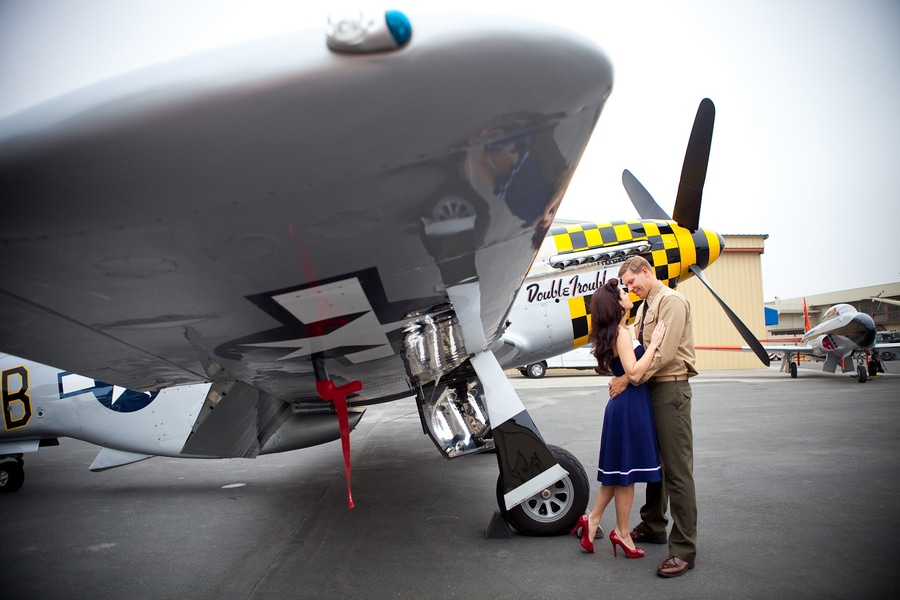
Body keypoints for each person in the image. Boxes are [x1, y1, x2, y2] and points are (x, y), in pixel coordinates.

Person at [610, 255, 698, 578]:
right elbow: (638, 349)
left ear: (645, 272)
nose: (630, 289)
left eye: (632, 282)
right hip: (649, 390)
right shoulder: (646, 305)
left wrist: (628, 378)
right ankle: (653, 524)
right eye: (626, 286)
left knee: (677, 471)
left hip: (670, 390)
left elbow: (663, 353)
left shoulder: (671, 302)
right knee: (654, 464)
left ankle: (684, 549)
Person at [571, 278, 665, 559]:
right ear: (616, 303)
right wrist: (654, 345)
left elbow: (626, 372)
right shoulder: (621, 333)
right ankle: (621, 533)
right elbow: (634, 373)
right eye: (624, 291)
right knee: (627, 475)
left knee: (618, 473)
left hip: (622, 406)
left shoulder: (619, 330)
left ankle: (593, 521)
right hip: (629, 407)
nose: (628, 292)